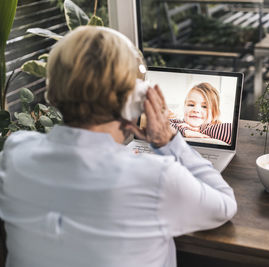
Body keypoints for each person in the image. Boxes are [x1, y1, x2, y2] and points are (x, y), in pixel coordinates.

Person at [0, 26, 237, 267]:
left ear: (53, 90)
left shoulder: (15, 152)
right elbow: (225, 205)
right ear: (134, 101)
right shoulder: (155, 177)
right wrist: (169, 143)